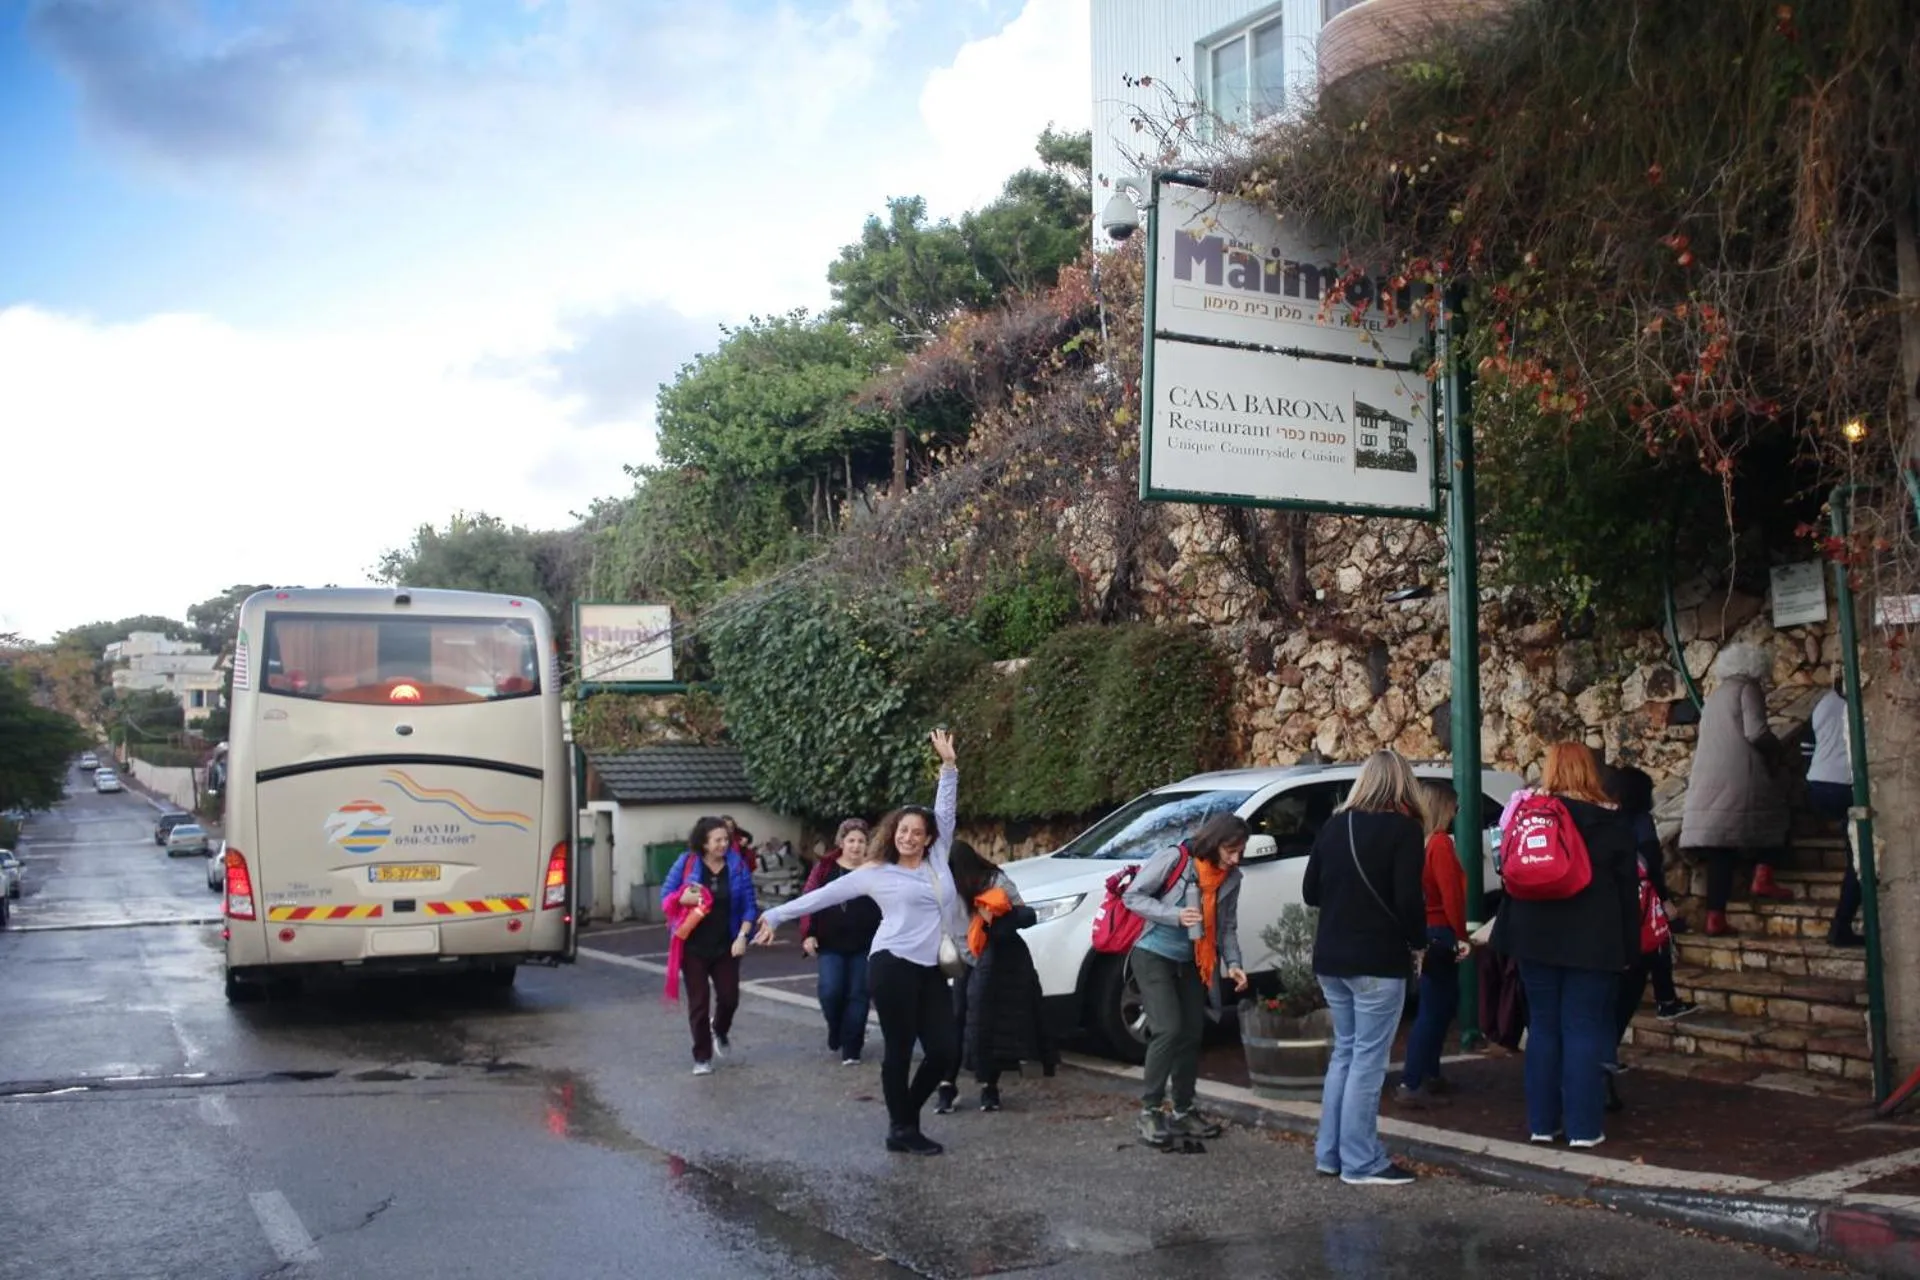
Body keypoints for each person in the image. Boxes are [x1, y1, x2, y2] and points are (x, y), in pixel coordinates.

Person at [756, 731, 963, 1155]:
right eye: (902, 830)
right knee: (900, 1049)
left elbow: (945, 809)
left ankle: (904, 1120)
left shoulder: (937, 860)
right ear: (893, 833)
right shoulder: (875, 871)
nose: (907, 837)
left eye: (916, 832)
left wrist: (949, 767)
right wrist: (776, 914)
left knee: (944, 1051)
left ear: (927, 838)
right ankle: (902, 1128)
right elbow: (822, 896)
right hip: (891, 965)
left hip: (932, 968)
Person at [1493, 742, 1639, 1148]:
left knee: (1542, 1028)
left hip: (1532, 939)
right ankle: (1583, 1128)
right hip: (1592, 944)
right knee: (1583, 1029)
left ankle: (1542, 1124)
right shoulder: (1611, 824)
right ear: (1592, 773)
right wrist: (1628, 949)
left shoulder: (1527, 818)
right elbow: (1629, 893)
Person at [1304, 750, 1427, 1186]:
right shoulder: (1405, 831)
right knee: (1368, 1062)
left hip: (1331, 957)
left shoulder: (1334, 826)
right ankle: (1361, 1161)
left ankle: (1330, 1153)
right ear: (1402, 785)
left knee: (1345, 1053)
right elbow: (1409, 899)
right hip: (1377, 959)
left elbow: (1310, 892)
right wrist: (1420, 943)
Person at [1123, 813, 1249, 1148]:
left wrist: (1234, 964)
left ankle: (1183, 1108)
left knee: (1192, 1032)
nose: (1236, 859)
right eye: (1231, 850)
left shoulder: (1232, 877)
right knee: (1168, 1028)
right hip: (1153, 953)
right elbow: (1133, 896)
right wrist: (1175, 915)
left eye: (1240, 851)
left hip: (1194, 959)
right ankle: (1150, 1110)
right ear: (1215, 842)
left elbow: (1226, 927)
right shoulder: (1176, 859)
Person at [933, 841, 1056, 1113]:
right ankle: (951, 1084)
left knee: (985, 1022)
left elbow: (1026, 914)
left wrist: (996, 918)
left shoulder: (995, 881)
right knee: (962, 1020)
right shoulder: (939, 890)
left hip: (997, 961)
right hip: (964, 959)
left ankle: (984, 1085)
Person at [1679, 643, 1793, 935]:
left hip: (1709, 781)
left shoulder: (1715, 695)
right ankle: (1763, 877)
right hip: (1741, 776)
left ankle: (1714, 918)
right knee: (1777, 815)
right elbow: (1756, 732)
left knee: (1721, 850)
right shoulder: (1748, 689)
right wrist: (1776, 750)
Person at [660, 816, 760, 1076]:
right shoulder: (687, 863)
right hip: (693, 944)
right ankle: (702, 1057)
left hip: (726, 944)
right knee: (699, 1002)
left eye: (726, 839)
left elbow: (750, 905)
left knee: (729, 998)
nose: (724, 844)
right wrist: (682, 897)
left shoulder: (737, 866)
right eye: (718, 840)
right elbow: (666, 896)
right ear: (704, 842)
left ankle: (721, 1029)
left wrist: (743, 936)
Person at [1396, 780, 1471, 1107]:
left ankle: (1427, 1073)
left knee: (1434, 1005)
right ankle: (1414, 1079)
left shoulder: (1417, 842)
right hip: (1441, 930)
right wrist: (1461, 936)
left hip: (1424, 930)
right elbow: (1452, 894)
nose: (1457, 810)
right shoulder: (1440, 844)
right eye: (1454, 804)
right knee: (1436, 1008)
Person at [1609, 765, 1695, 1024]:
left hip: (1615, 897)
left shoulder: (1609, 819)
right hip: (1642, 897)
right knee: (1657, 945)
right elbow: (1651, 863)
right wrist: (1665, 900)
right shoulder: (1641, 821)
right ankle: (1666, 1001)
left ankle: (1665, 1000)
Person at [799, 818, 881, 1063]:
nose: (856, 846)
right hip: (830, 943)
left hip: (866, 943)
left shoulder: (876, 870)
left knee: (859, 993)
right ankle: (836, 1028)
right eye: (851, 840)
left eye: (861, 841)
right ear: (841, 842)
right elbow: (809, 900)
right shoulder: (825, 869)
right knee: (830, 991)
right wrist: (808, 933)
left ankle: (852, 1047)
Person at [1807, 674, 1863, 947]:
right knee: (1861, 860)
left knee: (1854, 851)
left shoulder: (1823, 703)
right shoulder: (1858, 705)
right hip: (1845, 786)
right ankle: (1842, 927)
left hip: (1817, 784)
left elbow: (1806, 745)